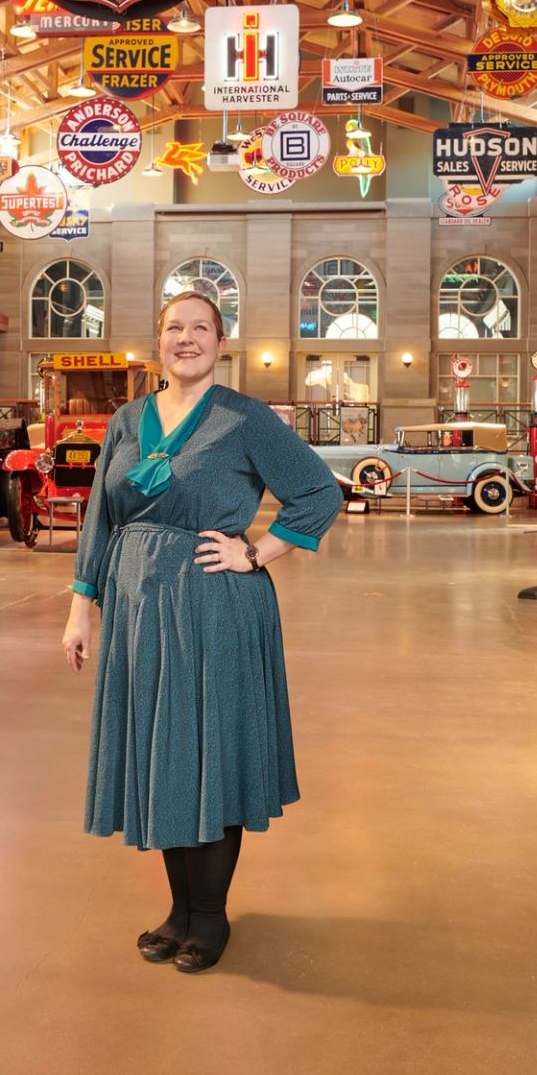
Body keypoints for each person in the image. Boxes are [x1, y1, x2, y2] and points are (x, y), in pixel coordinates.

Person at [63, 292, 340, 973]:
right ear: (158, 341)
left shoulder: (245, 419)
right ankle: (178, 911)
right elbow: (101, 517)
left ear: (222, 342)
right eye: (173, 328)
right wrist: (79, 608)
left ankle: (210, 916)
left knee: (208, 749)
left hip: (215, 604)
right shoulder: (129, 420)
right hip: (137, 603)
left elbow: (320, 491)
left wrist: (256, 552)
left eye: (200, 329)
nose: (186, 340)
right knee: (163, 751)